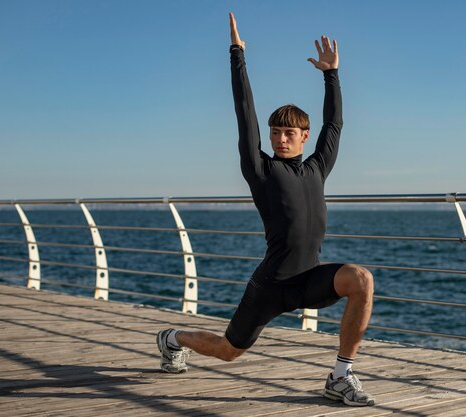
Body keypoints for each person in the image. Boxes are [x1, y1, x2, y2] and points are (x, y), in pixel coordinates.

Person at [156, 12, 375, 407]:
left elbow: (335, 124)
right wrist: (237, 54)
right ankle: (173, 338)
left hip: (308, 278)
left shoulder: (317, 168)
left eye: (289, 132)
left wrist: (331, 75)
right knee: (229, 350)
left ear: (304, 136)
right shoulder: (260, 169)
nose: (280, 137)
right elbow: (244, 113)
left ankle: (341, 375)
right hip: (271, 285)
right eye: (275, 131)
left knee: (361, 279)